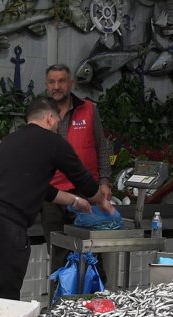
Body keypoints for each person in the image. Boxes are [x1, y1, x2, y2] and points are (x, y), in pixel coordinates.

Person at [0, 98, 115, 300]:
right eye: (58, 123)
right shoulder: (53, 142)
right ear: (50, 118)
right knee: (2, 298)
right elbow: (85, 183)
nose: (57, 128)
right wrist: (102, 201)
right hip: (5, 227)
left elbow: (41, 188)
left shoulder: (10, 140)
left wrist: (74, 201)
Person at [41, 64, 114, 277]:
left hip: (86, 192)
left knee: (92, 252)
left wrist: (105, 181)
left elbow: (102, 145)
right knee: (58, 254)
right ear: (46, 85)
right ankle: (61, 304)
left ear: (70, 83)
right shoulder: (40, 113)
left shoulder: (89, 109)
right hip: (53, 195)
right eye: (52, 82)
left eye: (62, 81)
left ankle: (95, 301)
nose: (57, 86)